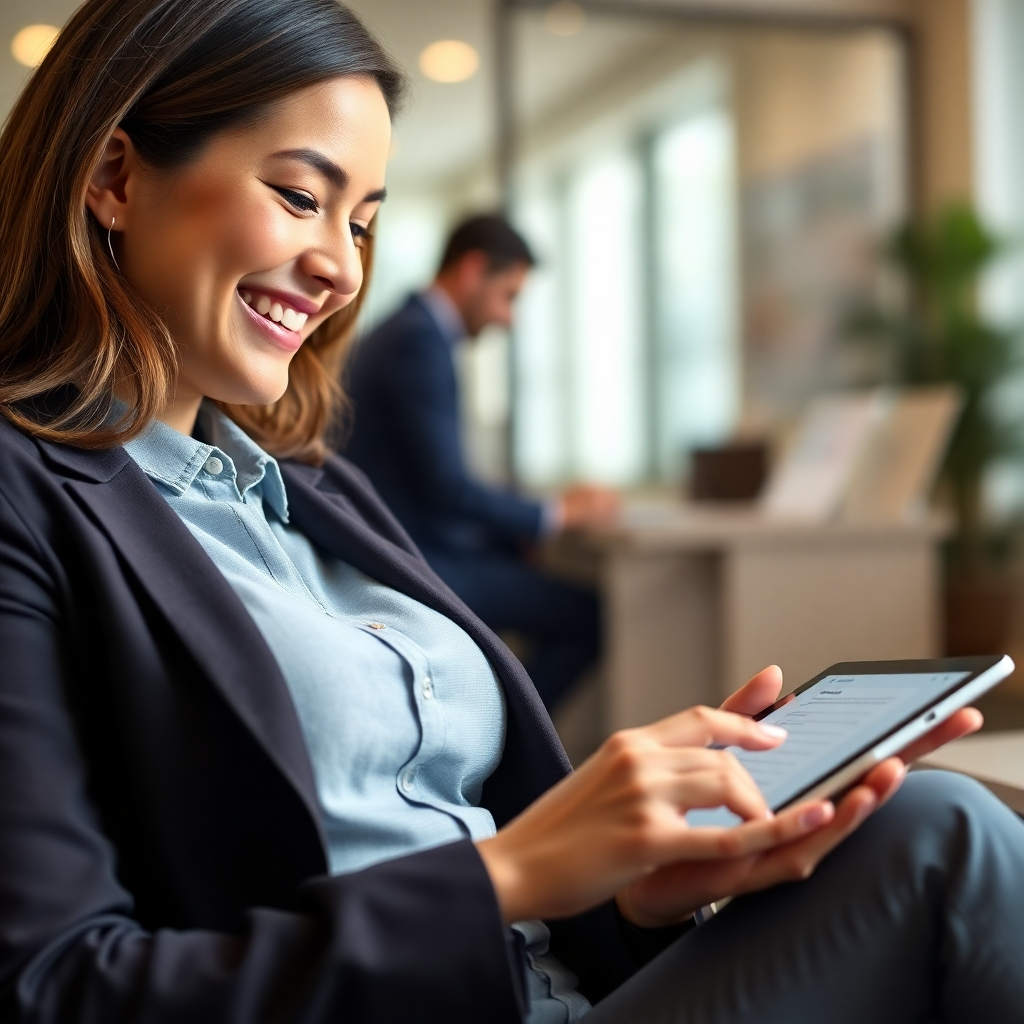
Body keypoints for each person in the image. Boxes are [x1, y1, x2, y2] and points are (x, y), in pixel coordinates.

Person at [0, 1, 1022, 1022]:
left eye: (362, 223)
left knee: (917, 823)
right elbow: (56, 988)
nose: (342, 267)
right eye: (299, 195)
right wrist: (511, 869)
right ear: (115, 178)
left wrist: (631, 889)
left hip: (559, 988)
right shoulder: (28, 498)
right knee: (946, 838)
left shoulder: (312, 491)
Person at [343, 215, 617, 710]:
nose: (509, 318)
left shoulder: (409, 330)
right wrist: (553, 515)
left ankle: (499, 729)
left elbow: (429, 483)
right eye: (508, 296)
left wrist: (519, 529)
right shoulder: (418, 340)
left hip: (405, 543)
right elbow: (448, 489)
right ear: (472, 270)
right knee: (593, 615)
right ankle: (513, 745)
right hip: (419, 560)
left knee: (525, 566)